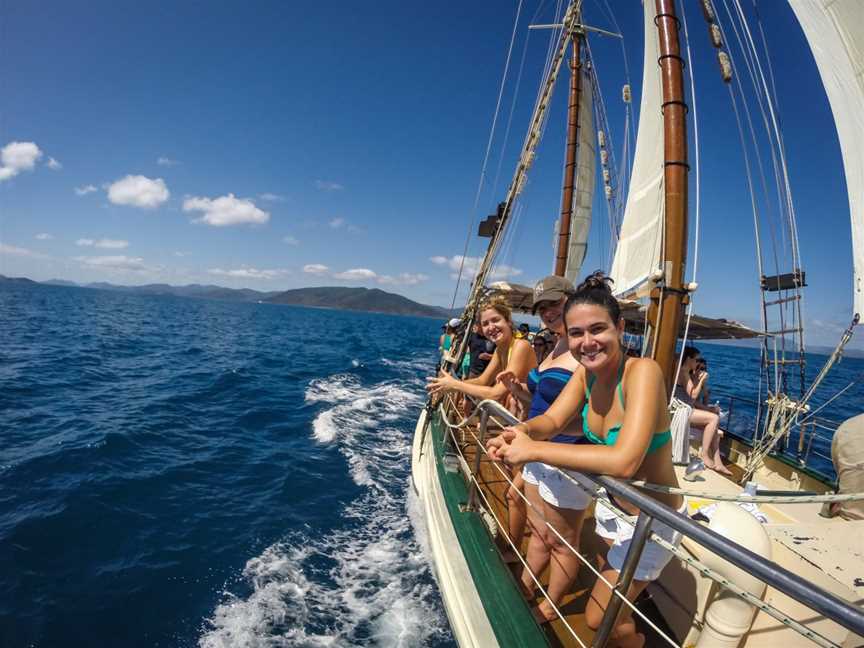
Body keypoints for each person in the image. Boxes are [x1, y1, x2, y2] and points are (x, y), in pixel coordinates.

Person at [488, 272, 684, 647]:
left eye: (598, 329)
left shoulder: (642, 372)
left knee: (599, 619)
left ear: (620, 327)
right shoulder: (585, 375)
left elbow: (625, 461)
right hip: (613, 511)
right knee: (612, 607)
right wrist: (525, 431)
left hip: (652, 520)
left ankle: (635, 643)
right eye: (576, 333)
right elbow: (553, 420)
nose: (587, 342)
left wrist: (533, 450)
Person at [497, 275, 589, 624]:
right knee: (539, 532)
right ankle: (527, 584)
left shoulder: (584, 352)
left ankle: (550, 607)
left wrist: (532, 437)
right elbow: (542, 404)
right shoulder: (555, 346)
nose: (547, 313)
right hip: (536, 451)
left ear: (573, 301)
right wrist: (519, 391)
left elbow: (587, 419)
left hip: (567, 457)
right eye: (541, 308)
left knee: (562, 542)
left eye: (554, 304)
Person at [427, 297, 536, 562]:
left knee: (513, 493)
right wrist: (451, 382)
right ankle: (525, 527)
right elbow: (484, 380)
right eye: (485, 323)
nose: (490, 327)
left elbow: (495, 392)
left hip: (536, 427)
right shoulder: (502, 349)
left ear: (508, 321)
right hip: (520, 423)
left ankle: (511, 550)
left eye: (495, 320)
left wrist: (457, 386)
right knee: (516, 483)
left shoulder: (520, 346)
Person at [675, 347, 730, 475]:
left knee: (714, 427)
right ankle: (704, 455)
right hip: (681, 410)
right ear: (689, 359)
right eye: (697, 359)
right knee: (714, 418)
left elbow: (692, 393)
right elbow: (693, 395)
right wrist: (700, 381)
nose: (697, 363)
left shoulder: (685, 372)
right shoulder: (683, 371)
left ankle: (718, 462)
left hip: (686, 409)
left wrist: (696, 379)